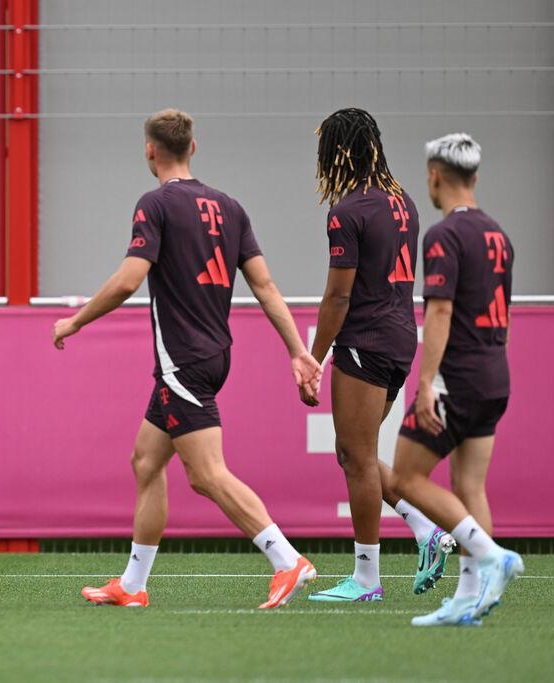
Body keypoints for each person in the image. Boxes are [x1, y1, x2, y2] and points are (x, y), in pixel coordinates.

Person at [53, 109, 322, 609]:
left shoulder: (154, 205)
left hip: (183, 362)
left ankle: (288, 560)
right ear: (192, 148)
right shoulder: (230, 207)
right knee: (146, 461)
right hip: (214, 355)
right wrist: (298, 351)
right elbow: (263, 285)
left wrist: (75, 321)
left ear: (150, 150)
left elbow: (130, 279)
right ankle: (132, 586)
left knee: (206, 474)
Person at [306, 108, 453, 603]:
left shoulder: (347, 211)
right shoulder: (403, 202)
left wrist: (314, 358)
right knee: (355, 454)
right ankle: (424, 532)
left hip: (364, 340)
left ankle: (367, 579)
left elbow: (338, 297)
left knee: (358, 458)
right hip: (397, 339)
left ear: (338, 151)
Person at [392, 133, 522, 626]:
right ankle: (471, 600)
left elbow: (441, 310)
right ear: (476, 177)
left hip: (459, 378)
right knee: (470, 486)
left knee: (406, 476)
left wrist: (426, 383)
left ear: (434, 176)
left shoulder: (444, 235)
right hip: (494, 375)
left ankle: (491, 557)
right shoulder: (499, 236)